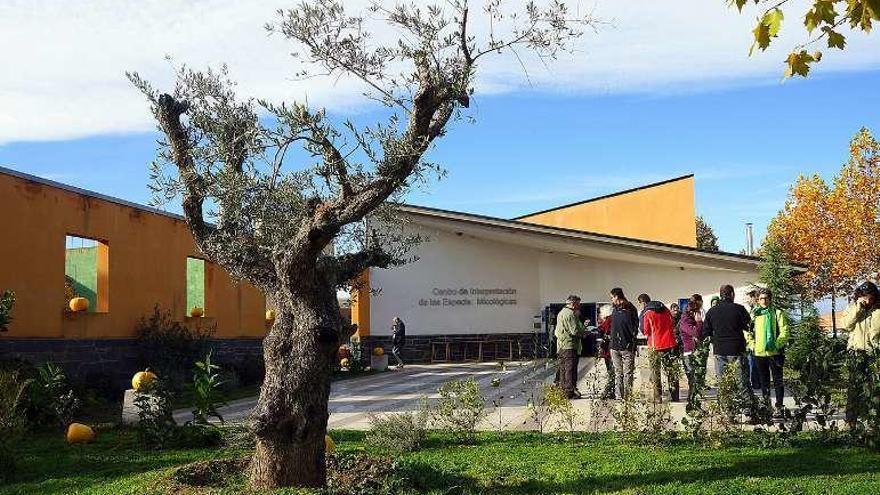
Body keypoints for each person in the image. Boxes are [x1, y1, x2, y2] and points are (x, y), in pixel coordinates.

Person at [703, 284, 754, 418]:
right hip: (736, 349)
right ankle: (747, 410)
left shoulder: (711, 311)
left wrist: (714, 338)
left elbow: (705, 332)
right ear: (732, 294)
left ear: (721, 295)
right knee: (741, 380)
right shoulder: (739, 309)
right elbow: (749, 327)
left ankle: (728, 411)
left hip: (719, 350)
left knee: (723, 382)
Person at [841, 281, 880, 427]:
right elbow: (845, 325)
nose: (869, 301)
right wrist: (858, 309)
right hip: (856, 352)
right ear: (860, 296)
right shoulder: (852, 308)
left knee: (875, 387)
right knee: (854, 387)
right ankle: (851, 421)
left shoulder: (878, 310)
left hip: (875, 354)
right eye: (866, 298)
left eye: (872, 298)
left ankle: (873, 420)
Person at [747, 289, 789, 418]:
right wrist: (752, 345)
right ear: (758, 300)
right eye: (761, 298)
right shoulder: (754, 315)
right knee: (764, 382)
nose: (764, 301)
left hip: (775, 353)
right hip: (759, 354)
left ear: (770, 299)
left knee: (778, 381)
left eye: (766, 298)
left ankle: (779, 407)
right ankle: (766, 406)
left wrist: (777, 344)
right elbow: (748, 332)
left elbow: (785, 331)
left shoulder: (777, 313)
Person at [639, 296, 681, 402]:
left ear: (644, 303)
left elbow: (645, 331)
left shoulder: (648, 313)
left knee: (655, 372)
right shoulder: (666, 310)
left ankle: (657, 397)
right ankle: (675, 396)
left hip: (655, 345)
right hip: (670, 343)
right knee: (671, 371)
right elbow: (672, 323)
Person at [609, 288, 639, 400]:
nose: (611, 300)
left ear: (617, 296)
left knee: (628, 374)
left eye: (612, 297)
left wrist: (631, 337)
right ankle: (619, 397)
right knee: (618, 373)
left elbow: (635, 327)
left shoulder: (630, 309)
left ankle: (627, 396)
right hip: (614, 346)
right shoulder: (615, 310)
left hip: (627, 346)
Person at [555, 295, 587, 399]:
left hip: (561, 346)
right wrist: (585, 332)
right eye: (578, 304)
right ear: (573, 304)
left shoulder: (561, 313)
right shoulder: (570, 314)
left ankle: (563, 390)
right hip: (569, 345)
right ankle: (569, 391)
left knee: (563, 369)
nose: (579, 306)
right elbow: (575, 331)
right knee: (570, 369)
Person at [678, 294, 704, 402]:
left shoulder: (690, 319)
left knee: (696, 377)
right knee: (692, 377)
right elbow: (696, 333)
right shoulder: (685, 320)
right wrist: (699, 322)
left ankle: (694, 397)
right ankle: (692, 399)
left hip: (694, 350)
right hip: (689, 352)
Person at [744, 288, 762, 390]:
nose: (748, 301)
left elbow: (752, 327)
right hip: (751, 341)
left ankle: (755, 383)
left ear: (754, 298)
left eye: (749, 298)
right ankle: (756, 382)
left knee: (753, 363)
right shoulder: (753, 309)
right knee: (753, 363)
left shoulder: (757, 310)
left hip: (755, 341)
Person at [597, 304, 616, 399]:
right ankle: (611, 390)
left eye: (600, 312)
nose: (600, 314)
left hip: (609, 350)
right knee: (612, 371)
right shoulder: (611, 319)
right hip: (610, 349)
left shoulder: (609, 320)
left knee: (611, 371)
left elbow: (602, 330)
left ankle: (609, 390)